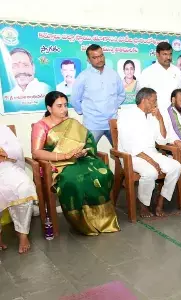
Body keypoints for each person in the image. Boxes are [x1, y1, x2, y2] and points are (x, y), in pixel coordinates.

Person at [32, 91, 120, 235]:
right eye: (59, 106)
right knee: (73, 181)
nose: (64, 109)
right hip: (56, 165)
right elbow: (36, 152)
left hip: (80, 159)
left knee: (102, 175)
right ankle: (81, 222)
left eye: (65, 105)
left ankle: (102, 220)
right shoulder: (40, 126)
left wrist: (84, 151)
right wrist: (64, 155)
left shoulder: (72, 122)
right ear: (49, 108)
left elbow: (88, 142)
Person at [117, 88, 181, 218]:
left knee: (176, 166)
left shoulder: (152, 116)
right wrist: (151, 162)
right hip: (132, 156)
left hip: (152, 153)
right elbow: (128, 145)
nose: (156, 104)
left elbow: (162, 139)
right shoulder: (126, 115)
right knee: (150, 172)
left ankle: (160, 201)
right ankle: (144, 204)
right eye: (154, 101)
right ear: (145, 100)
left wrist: (160, 119)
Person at [71, 44, 126, 144]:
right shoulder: (83, 77)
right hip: (93, 124)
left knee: (121, 152)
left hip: (112, 122)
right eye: (95, 57)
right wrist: (84, 112)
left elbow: (121, 94)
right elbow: (74, 100)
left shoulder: (113, 74)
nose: (99, 59)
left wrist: (113, 106)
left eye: (101, 56)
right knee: (88, 154)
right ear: (88, 59)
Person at [0, 125, 36, 254]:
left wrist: (5, 151)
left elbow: (17, 151)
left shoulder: (2, 129)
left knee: (24, 187)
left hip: (5, 166)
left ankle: (22, 233)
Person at [140, 42, 181, 111]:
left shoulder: (177, 71)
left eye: (170, 54)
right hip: (154, 114)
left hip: (174, 113)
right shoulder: (147, 72)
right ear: (157, 55)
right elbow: (142, 97)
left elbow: (180, 94)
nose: (168, 57)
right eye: (165, 54)